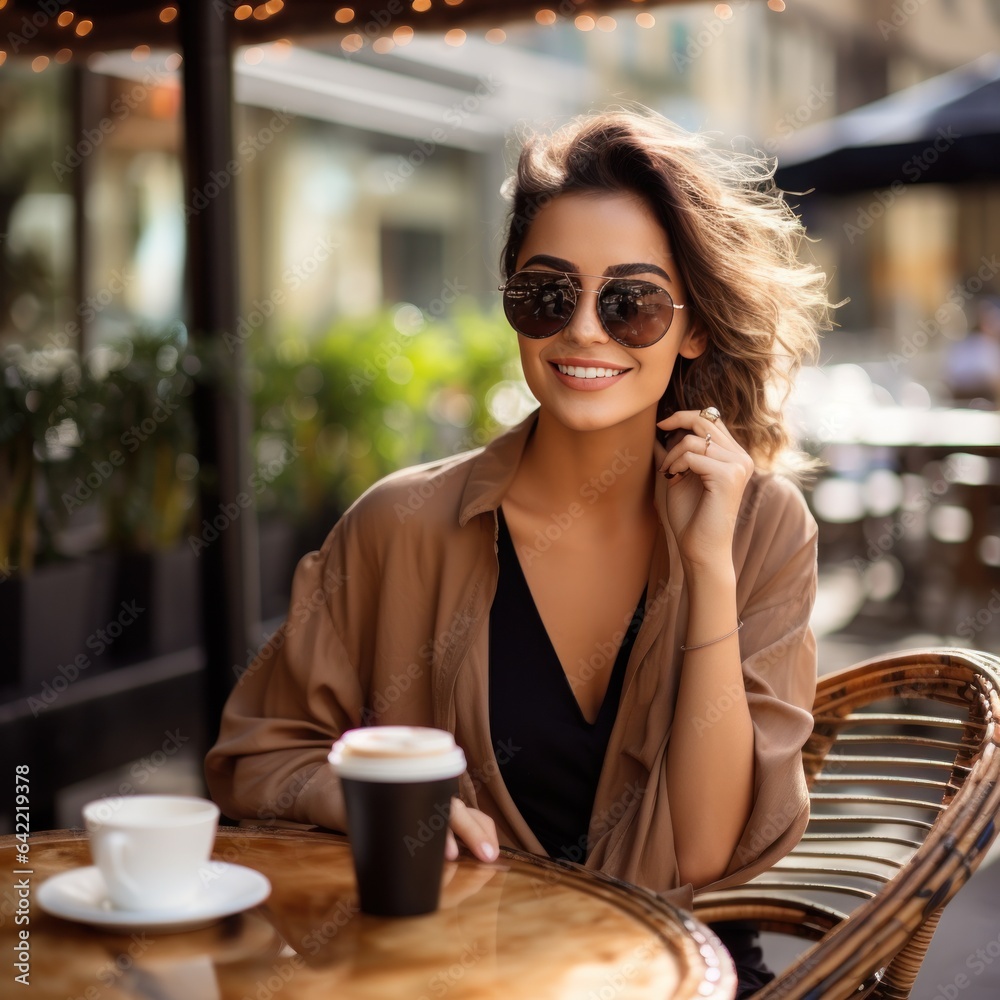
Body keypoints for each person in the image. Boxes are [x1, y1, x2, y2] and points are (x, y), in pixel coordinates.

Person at [206, 109, 831, 998]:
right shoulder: (400, 526)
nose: (583, 329)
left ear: (693, 327)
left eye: (633, 301)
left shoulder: (762, 528)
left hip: (682, 978)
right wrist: (360, 803)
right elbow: (255, 761)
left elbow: (700, 848)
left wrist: (708, 567)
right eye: (547, 292)